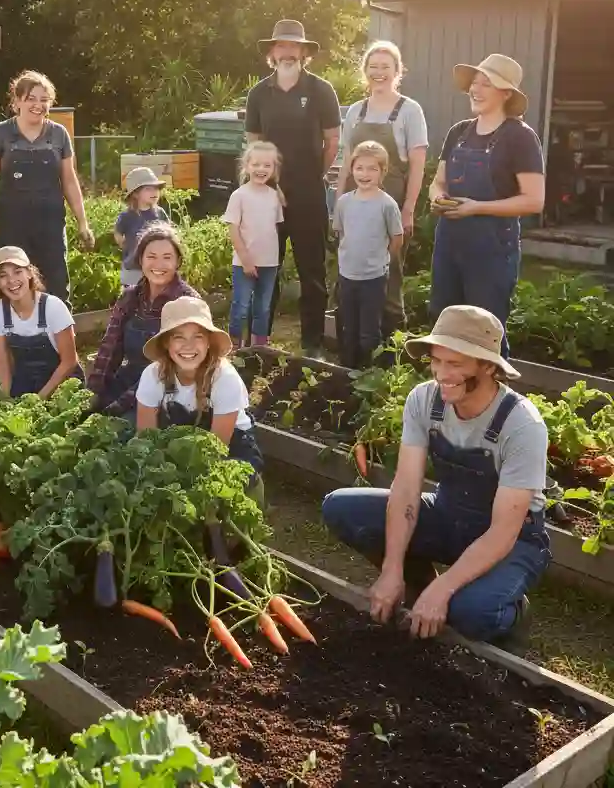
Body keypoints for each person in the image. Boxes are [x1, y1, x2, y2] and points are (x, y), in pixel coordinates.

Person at [321, 305, 550, 643]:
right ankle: (420, 584)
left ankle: (511, 610)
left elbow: (503, 531)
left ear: (488, 366)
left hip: (513, 540)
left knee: (472, 614)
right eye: (437, 361)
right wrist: (391, 568)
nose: (442, 374)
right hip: (448, 514)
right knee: (341, 508)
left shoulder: (521, 425)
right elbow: (407, 489)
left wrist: (446, 588)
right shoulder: (425, 400)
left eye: (455, 364)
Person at [428, 54, 545, 356]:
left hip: (491, 250)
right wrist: (437, 198)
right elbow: (438, 181)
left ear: (506, 93)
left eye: (486, 84)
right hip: (450, 244)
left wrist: (476, 207)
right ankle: (449, 394)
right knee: (445, 326)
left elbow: (534, 200)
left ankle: (493, 396)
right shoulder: (459, 132)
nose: (475, 90)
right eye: (474, 83)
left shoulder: (520, 138)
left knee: (485, 333)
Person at [245, 19, 340, 355]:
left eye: (293, 46)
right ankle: (260, 343)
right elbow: (253, 147)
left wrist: (313, 174)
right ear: (272, 52)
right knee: (264, 269)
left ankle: (312, 343)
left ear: (303, 52)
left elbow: (332, 141)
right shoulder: (259, 93)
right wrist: (265, 185)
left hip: (309, 195)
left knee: (312, 270)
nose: (287, 52)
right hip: (266, 197)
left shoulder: (320, 90)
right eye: (281, 46)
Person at [0, 71, 94, 306]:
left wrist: (82, 222)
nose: (38, 105)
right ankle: (16, 339)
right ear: (17, 101)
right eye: (31, 98)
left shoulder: (58, 134)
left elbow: (69, 180)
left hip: (49, 222)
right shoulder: (0, 134)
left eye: (44, 99)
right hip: (10, 223)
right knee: (13, 285)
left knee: (57, 286)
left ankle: (59, 339)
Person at [336, 41, 428, 335]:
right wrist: (338, 201)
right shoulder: (355, 111)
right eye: (373, 67)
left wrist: (408, 209)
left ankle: (390, 346)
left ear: (397, 71)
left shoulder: (409, 110)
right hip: (355, 205)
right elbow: (347, 159)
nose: (379, 73)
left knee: (390, 273)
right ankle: (351, 341)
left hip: (391, 204)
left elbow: (417, 164)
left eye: (385, 67)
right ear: (365, 71)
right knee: (350, 268)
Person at [136, 297, 264, 489]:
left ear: (209, 343)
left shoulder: (224, 377)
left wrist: (187, 485)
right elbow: (146, 437)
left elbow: (217, 447)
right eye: (178, 337)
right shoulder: (153, 375)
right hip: (176, 447)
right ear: (165, 343)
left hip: (229, 446)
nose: (188, 346)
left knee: (226, 486)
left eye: (198, 336)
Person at [89, 223, 200, 419]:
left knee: (124, 431)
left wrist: (121, 404)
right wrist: (93, 393)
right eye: (151, 257)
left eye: (167, 258)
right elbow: (110, 349)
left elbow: (173, 367)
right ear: (141, 259)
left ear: (178, 262)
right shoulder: (130, 297)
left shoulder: (187, 301)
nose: (158, 265)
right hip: (130, 377)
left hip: (169, 389)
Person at [333, 141, 404, 370]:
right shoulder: (344, 202)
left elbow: (396, 238)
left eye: (372, 168)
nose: (365, 174)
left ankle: (369, 372)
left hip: (373, 278)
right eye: (360, 168)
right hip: (347, 276)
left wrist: (381, 258)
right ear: (352, 169)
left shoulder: (387, 205)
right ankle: (348, 369)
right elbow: (342, 231)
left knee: (369, 330)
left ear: (383, 172)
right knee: (348, 326)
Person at [0, 246, 83, 398]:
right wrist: (3, 402)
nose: (11, 281)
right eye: (3, 276)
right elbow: (2, 362)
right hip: (25, 382)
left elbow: (69, 362)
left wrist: (40, 399)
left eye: (18, 272)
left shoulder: (53, 307)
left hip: (63, 383)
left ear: (29, 273)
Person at [222, 141, 284, 349]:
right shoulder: (239, 196)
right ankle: (234, 349)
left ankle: (259, 349)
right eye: (256, 164)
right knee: (240, 307)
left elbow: (272, 229)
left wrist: (272, 259)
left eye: (267, 165)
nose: (261, 169)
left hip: (269, 263)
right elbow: (234, 230)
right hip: (244, 263)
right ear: (247, 166)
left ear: (274, 169)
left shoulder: (274, 196)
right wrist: (246, 259)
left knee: (263, 308)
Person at [115, 167, 170, 288]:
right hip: (133, 268)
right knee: (132, 299)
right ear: (135, 193)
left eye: (156, 189)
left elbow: (169, 235)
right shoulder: (127, 216)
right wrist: (125, 244)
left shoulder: (160, 213)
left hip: (156, 267)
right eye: (148, 189)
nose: (154, 193)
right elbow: (118, 233)